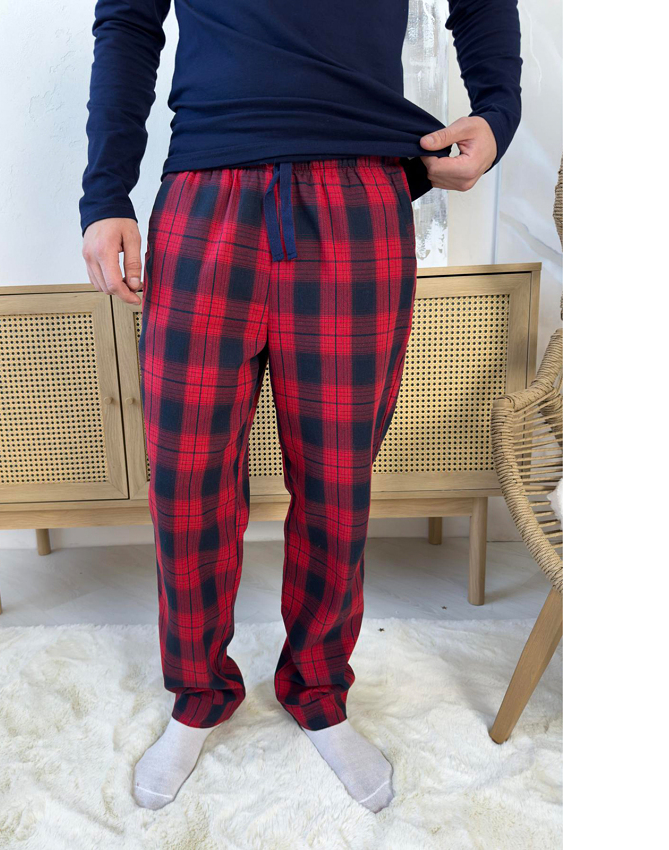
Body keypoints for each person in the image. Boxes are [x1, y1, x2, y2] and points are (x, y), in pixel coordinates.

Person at [80, 0, 521, 813]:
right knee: (185, 478)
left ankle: (319, 689)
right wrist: (106, 192)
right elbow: (130, 20)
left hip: (359, 191)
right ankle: (198, 693)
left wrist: (499, 113)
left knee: (336, 478)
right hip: (207, 189)